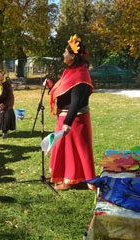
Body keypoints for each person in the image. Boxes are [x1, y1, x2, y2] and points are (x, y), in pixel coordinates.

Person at [47, 34, 96, 191]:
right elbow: (65, 92)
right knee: (64, 150)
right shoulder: (71, 72)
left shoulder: (81, 75)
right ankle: (67, 177)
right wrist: (50, 86)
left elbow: (75, 102)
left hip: (76, 121)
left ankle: (74, 180)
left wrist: (67, 123)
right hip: (67, 119)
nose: (63, 54)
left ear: (73, 56)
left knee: (75, 152)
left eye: (65, 52)